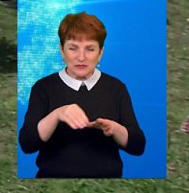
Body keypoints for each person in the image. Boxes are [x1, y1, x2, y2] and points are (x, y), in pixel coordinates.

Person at [18, 12, 146, 178]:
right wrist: (58, 114)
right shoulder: (43, 88)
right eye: (73, 48)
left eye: (90, 49)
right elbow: (27, 144)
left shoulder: (116, 88)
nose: (81, 57)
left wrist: (114, 128)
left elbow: (138, 146)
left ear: (100, 53)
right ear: (62, 50)